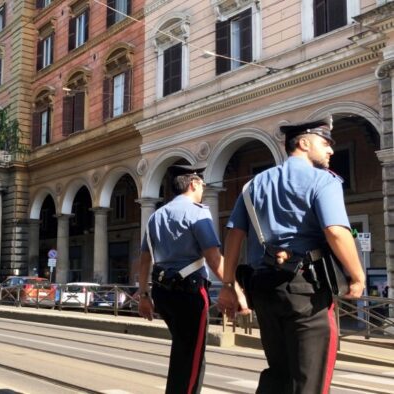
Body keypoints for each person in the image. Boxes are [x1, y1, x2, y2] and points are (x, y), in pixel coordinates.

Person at [220, 117, 366, 393]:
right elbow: (336, 231)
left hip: (263, 289)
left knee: (279, 374)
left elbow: (234, 235)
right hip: (306, 290)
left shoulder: (252, 185)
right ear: (303, 143)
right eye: (325, 144)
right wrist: (357, 277)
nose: (331, 151)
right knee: (309, 380)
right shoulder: (323, 180)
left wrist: (228, 285)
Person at [138, 164, 247, 394]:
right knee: (193, 359)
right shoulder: (197, 212)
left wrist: (144, 295)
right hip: (190, 294)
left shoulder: (155, 216)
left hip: (162, 293)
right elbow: (214, 258)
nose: (203, 189)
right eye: (202, 185)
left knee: (182, 351)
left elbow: (145, 260)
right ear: (193, 183)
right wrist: (234, 288)